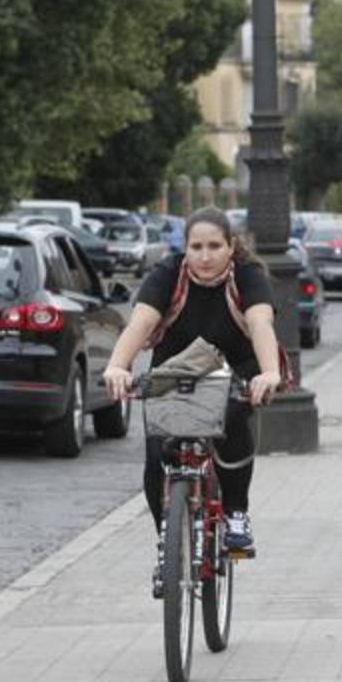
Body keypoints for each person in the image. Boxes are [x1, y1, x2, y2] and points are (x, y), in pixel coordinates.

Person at [103, 206, 283, 558]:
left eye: (214, 246)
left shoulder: (247, 275)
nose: (205, 256)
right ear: (184, 248)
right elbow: (139, 323)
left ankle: (235, 515)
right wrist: (117, 366)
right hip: (173, 372)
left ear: (231, 246)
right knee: (157, 452)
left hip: (235, 369)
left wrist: (269, 373)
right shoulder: (168, 274)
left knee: (233, 418)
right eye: (196, 247)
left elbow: (261, 324)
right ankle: (165, 542)